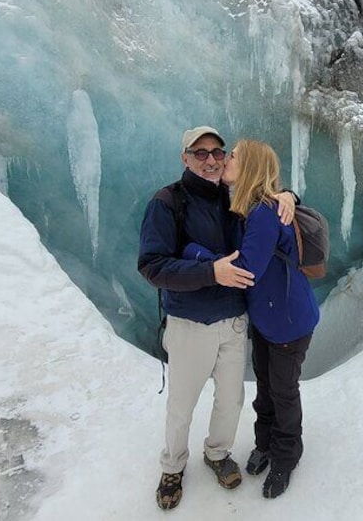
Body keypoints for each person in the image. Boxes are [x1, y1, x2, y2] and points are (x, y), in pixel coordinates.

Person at [137, 127, 295, 510]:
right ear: (185, 157)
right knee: (182, 403)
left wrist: (289, 195)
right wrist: (210, 272)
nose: (211, 159)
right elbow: (152, 265)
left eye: (217, 152)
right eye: (200, 152)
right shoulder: (168, 202)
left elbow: (267, 200)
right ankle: (173, 466)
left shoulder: (234, 195)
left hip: (234, 320)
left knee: (231, 400)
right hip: (190, 322)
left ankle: (217, 453)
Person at [183, 139, 319, 499]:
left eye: (233, 156)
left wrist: (196, 254)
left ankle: (287, 457)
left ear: (251, 166)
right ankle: (265, 444)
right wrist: (288, 193)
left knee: (283, 390)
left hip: (288, 320)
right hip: (267, 317)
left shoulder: (262, 213)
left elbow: (246, 271)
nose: (225, 160)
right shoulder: (246, 208)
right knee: (266, 386)